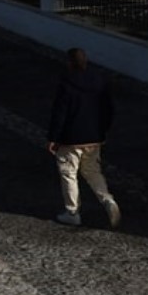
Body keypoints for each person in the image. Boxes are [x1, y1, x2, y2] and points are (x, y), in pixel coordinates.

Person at [46, 47, 121, 228]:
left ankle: (72, 212)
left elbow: (60, 113)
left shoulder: (66, 83)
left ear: (70, 63)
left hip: (71, 138)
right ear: (85, 61)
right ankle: (107, 200)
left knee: (69, 173)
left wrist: (53, 138)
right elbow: (109, 109)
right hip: (94, 136)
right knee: (92, 172)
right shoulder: (99, 81)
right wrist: (102, 130)